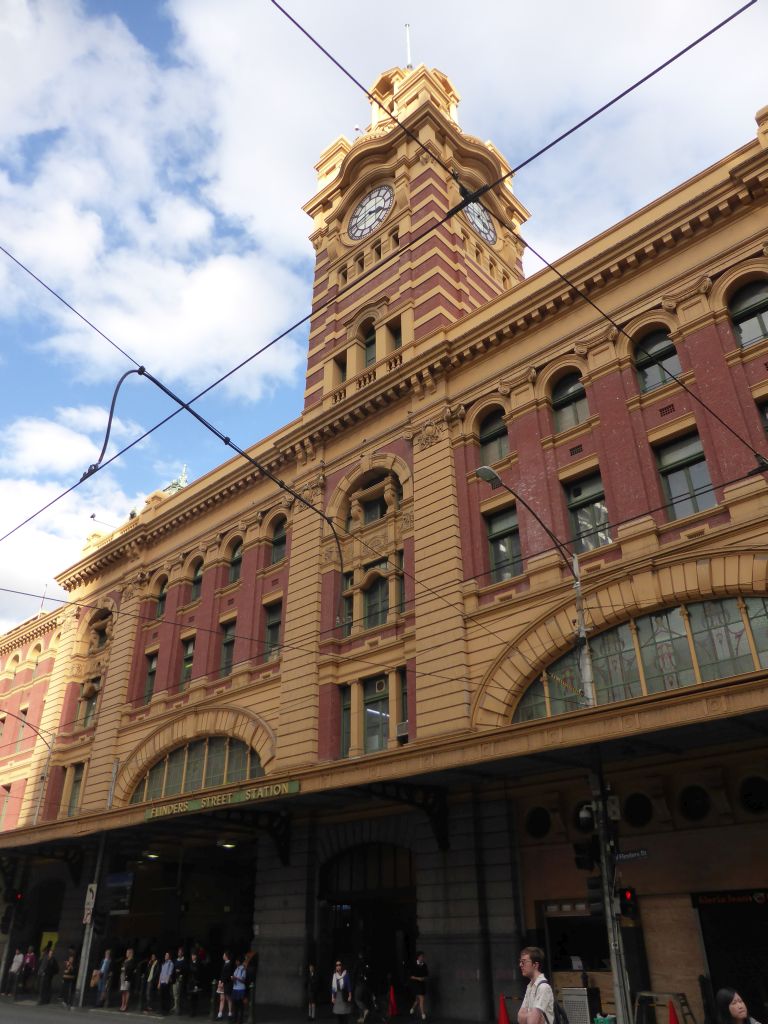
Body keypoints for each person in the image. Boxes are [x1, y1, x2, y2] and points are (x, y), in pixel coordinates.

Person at [517, 947, 554, 1024]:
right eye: (520, 961)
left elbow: (532, 1021)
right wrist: (530, 1016)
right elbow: (520, 1018)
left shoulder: (543, 987)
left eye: (524, 962)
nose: (520, 965)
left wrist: (528, 1016)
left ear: (535, 965)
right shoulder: (530, 986)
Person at [409, 952, 429, 1021]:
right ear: (418, 957)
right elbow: (411, 976)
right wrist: (418, 978)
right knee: (421, 999)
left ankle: (412, 1008)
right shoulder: (413, 965)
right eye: (421, 956)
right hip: (415, 984)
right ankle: (423, 1014)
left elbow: (426, 974)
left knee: (417, 1000)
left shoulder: (424, 965)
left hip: (422, 984)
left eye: (423, 957)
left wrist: (424, 978)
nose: (422, 958)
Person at [353, 953, 372, 1024]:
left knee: (357, 999)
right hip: (366, 985)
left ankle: (365, 1009)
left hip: (359, 984)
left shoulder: (358, 963)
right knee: (362, 1000)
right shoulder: (366, 962)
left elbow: (354, 973)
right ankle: (362, 1018)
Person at [217, 950, 234, 1021]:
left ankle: (230, 1013)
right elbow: (222, 975)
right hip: (222, 983)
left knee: (228, 998)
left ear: (226, 956)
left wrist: (222, 982)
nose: (223, 956)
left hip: (227, 984)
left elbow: (228, 975)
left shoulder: (229, 964)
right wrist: (220, 981)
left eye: (224, 955)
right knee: (222, 999)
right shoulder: (224, 964)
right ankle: (220, 1014)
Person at [157, 951, 175, 1016]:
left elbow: (170, 973)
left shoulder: (171, 963)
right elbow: (161, 973)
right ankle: (161, 1009)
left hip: (166, 982)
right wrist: (159, 982)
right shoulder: (163, 963)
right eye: (165, 955)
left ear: (169, 956)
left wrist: (167, 981)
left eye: (167, 955)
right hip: (162, 982)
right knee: (161, 996)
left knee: (166, 997)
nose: (165, 956)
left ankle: (166, 1010)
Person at [120, 948, 137, 1012]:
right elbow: (122, 967)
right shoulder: (125, 960)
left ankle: (125, 1006)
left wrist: (127, 975)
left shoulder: (132, 961)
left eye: (127, 952)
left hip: (128, 977)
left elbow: (132, 969)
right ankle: (122, 1004)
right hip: (122, 976)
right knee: (123, 991)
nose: (126, 954)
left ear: (130, 953)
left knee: (126, 991)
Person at [232, 956, 248, 1024]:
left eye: (237, 961)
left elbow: (243, 980)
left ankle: (240, 1020)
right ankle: (235, 1019)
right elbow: (234, 978)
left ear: (239, 962)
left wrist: (236, 978)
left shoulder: (243, 969)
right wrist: (233, 979)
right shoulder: (236, 969)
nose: (236, 962)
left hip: (240, 989)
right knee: (235, 1005)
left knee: (240, 1005)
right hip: (235, 988)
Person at [188, 950, 203, 1018]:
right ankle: (191, 1011)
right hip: (191, 982)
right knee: (191, 997)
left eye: (193, 955)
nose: (192, 957)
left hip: (196, 982)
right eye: (192, 955)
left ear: (196, 956)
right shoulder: (190, 963)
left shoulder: (198, 963)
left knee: (195, 997)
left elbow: (198, 971)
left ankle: (194, 1011)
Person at [173, 947, 188, 1015]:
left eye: (180, 952)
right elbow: (174, 968)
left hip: (180, 979)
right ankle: (175, 1005)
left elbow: (185, 970)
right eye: (178, 952)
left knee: (178, 994)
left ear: (182, 953)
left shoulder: (184, 960)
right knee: (174, 993)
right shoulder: (176, 960)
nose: (179, 953)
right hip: (175, 978)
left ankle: (178, 1008)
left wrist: (180, 971)